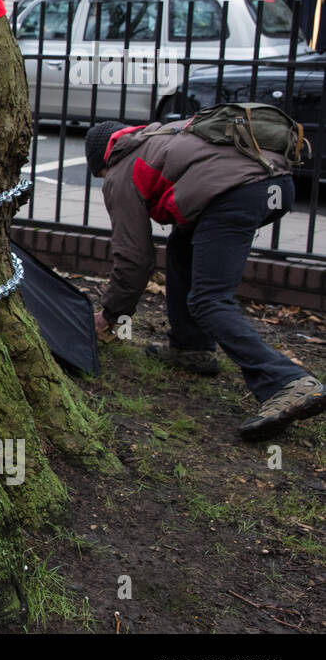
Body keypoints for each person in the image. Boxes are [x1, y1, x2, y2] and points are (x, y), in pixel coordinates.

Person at [86, 119, 325, 440]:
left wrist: (112, 316)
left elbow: (134, 260)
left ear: (102, 160)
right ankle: (191, 347)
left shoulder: (119, 171)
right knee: (182, 246)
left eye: (99, 175)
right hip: (276, 186)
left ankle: (287, 381)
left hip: (236, 193)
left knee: (209, 300)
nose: (104, 182)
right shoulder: (161, 135)